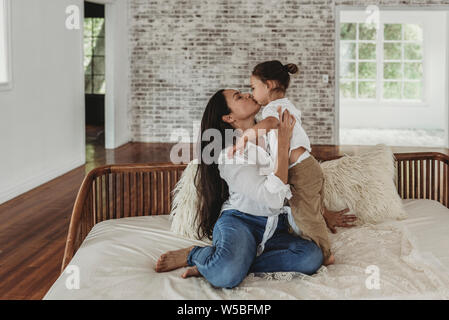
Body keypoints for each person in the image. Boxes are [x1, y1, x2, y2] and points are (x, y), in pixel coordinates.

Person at [155, 89, 356, 288]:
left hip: (276, 225)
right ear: (229, 117)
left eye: (246, 91)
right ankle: (195, 254)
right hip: (241, 221)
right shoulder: (229, 153)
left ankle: (231, 262)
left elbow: (301, 179)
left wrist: (320, 212)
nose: (248, 95)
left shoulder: (272, 132)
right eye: (239, 97)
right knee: (225, 276)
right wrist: (284, 143)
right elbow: (273, 198)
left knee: (311, 257)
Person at [229, 60, 335, 266]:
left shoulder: (273, 109)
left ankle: (325, 252)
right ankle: (318, 240)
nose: (252, 93)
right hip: (308, 166)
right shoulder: (285, 105)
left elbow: (270, 124)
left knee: (306, 215)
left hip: (301, 170)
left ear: (268, 85)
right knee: (308, 209)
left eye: (253, 87)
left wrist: (245, 137)